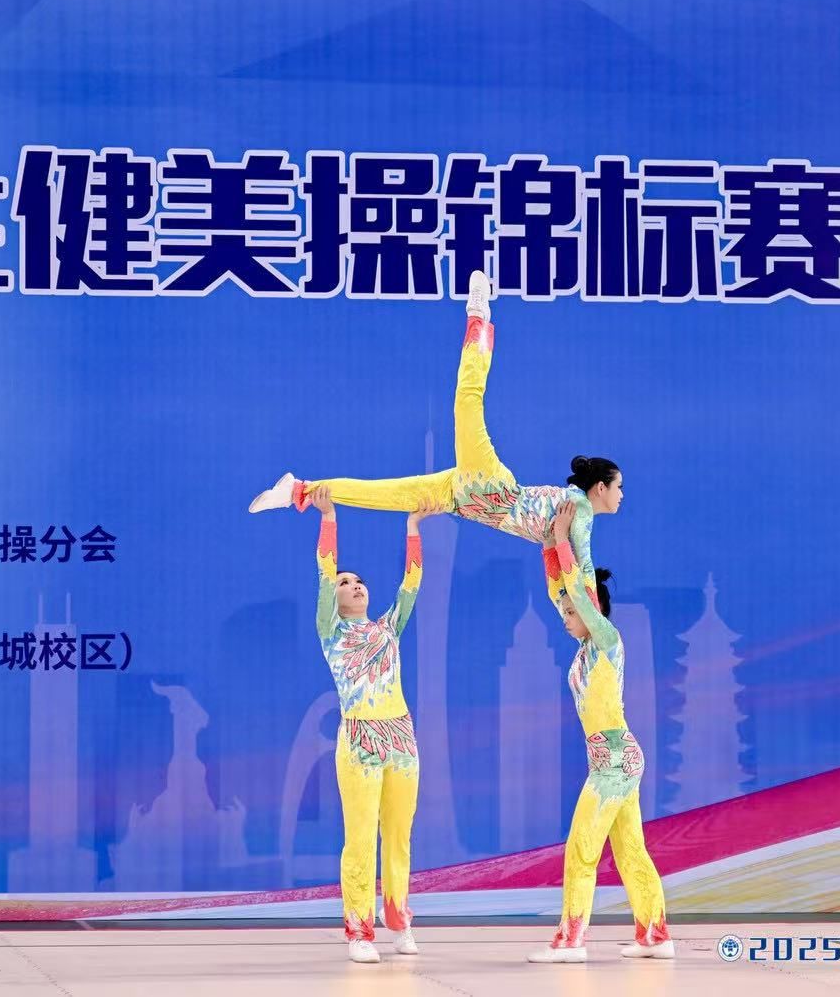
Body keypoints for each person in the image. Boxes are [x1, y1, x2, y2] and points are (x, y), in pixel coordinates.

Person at [249, 272, 623, 603]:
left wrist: (567, 577)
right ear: (600, 487)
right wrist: (597, 619)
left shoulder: (573, 515)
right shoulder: (582, 510)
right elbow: (584, 567)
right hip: (489, 487)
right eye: (618, 487)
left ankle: (297, 491)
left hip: (463, 501)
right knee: (467, 400)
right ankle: (478, 316)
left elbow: (561, 577)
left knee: (384, 495)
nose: (621, 495)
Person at [528, 501, 671, 964]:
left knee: (582, 849)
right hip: (611, 760)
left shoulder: (608, 641)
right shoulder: (583, 654)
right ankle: (656, 935)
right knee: (631, 851)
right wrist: (549, 546)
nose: (565, 618)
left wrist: (565, 538)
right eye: (565, 614)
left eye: (572, 613)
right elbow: (561, 591)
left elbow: (574, 591)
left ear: (594, 611)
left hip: (615, 761)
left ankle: (571, 942)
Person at [308, 485, 440, 964]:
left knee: (399, 836)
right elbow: (324, 573)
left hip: (401, 738)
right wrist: (329, 518)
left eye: (360, 581)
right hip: (360, 740)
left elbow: (412, 584)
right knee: (361, 838)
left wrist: (412, 527)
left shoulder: (388, 628)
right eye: (346, 583)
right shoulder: (331, 632)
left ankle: (400, 920)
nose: (355, 585)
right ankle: (359, 931)